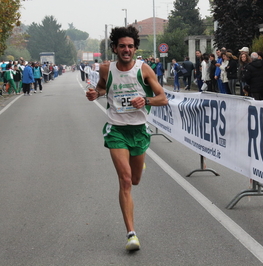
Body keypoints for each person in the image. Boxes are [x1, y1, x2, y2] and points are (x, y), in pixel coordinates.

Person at [85, 25, 168, 251]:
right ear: (114, 48)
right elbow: (102, 88)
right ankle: (131, 234)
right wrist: (96, 94)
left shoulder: (144, 69)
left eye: (130, 46)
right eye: (122, 46)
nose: (126, 49)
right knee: (124, 180)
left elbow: (162, 98)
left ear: (135, 48)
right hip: (117, 129)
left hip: (139, 130)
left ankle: (139, 164)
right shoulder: (106, 68)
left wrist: (146, 101)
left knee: (136, 180)